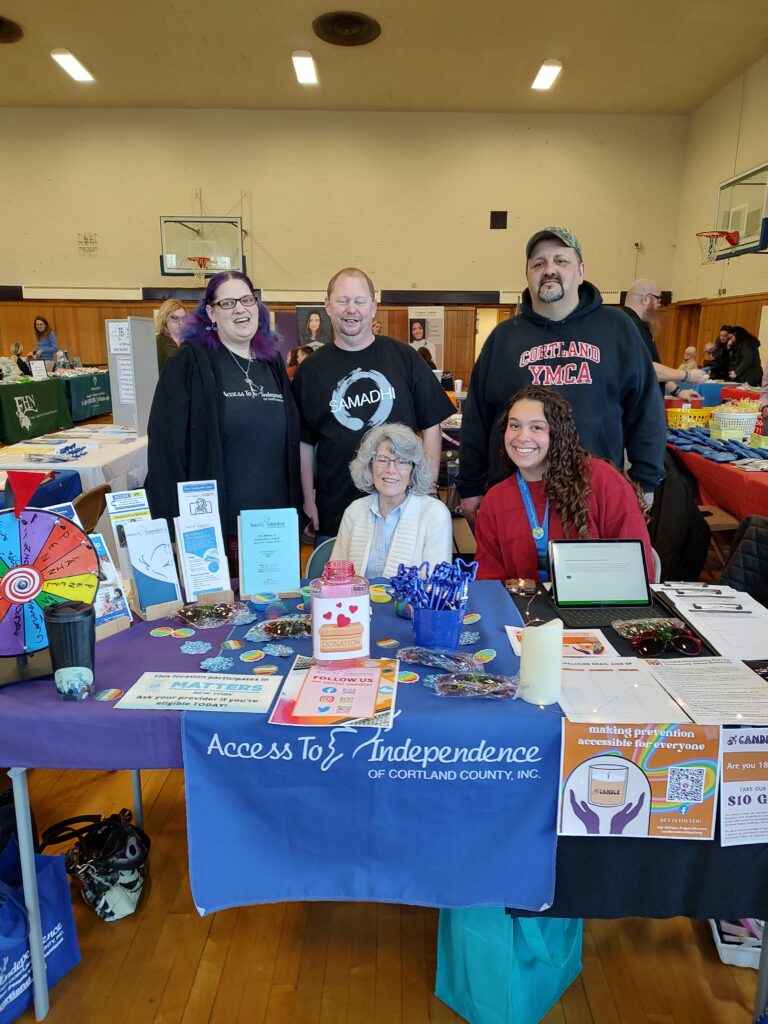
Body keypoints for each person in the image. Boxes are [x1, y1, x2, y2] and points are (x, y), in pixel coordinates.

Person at [459, 227, 666, 528]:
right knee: (515, 575)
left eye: (561, 261)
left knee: (590, 575)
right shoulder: (503, 338)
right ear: (527, 274)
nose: (549, 270)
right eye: (539, 263)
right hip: (516, 496)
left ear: (581, 272)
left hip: (595, 495)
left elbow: (647, 410)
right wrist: (470, 486)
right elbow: (477, 417)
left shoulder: (617, 329)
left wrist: (646, 481)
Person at [292, 266, 455, 541]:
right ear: (328, 306)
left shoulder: (404, 358)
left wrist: (425, 490)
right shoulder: (310, 371)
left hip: (403, 511)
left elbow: (431, 425)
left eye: (360, 301)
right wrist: (308, 500)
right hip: (336, 513)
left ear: (373, 307)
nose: (351, 309)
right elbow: (303, 443)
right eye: (343, 301)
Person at [146, 270, 302, 556]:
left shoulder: (272, 362)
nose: (240, 309)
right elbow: (165, 450)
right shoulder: (190, 362)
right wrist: (168, 528)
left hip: (273, 526)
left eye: (246, 300)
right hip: (218, 530)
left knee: (276, 602)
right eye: (228, 303)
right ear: (211, 312)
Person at [474, 386, 654, 582]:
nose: (522, 437)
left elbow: (637, 569)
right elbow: (488, 582)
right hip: (522, 610)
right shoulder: (495, 500)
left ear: (558, 433)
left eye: (537, 427)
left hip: (596, 607)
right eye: (514, 425)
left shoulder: (603, 481)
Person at [331, 423, 452, 577]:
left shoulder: (435, 514)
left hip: (411, 602)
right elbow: (335, 578)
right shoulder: (354, 511)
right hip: (358, 601)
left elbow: (437, 585)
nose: (391, 470)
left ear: (413, 471)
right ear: (370, 467)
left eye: (402, 461)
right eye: (382, 459)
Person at [622, 279, 706, 398]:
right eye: (657, 299)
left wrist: (678, 392)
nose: (659, 304)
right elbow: (647, 368)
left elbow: (656, 367)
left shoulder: (638, 325)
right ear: (646, 298)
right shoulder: (628, 326)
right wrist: (687, 375)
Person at [155, 299, 187, 373]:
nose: (181, 323)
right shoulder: (157, 343)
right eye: (175, 318)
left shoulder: (191, 341)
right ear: (164, 318)